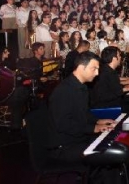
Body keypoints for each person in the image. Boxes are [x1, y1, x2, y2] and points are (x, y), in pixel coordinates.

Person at [48, 51, 121, 183]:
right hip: (65, 146)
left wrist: (99, 120)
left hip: (79, 138)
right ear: (82, 67)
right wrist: (94, 128)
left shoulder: (81, 87)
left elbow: (84, 113)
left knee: (113, 150)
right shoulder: (64, 91)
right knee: (108, 156)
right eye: (94, 69)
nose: (97, 73)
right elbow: (63, 124)